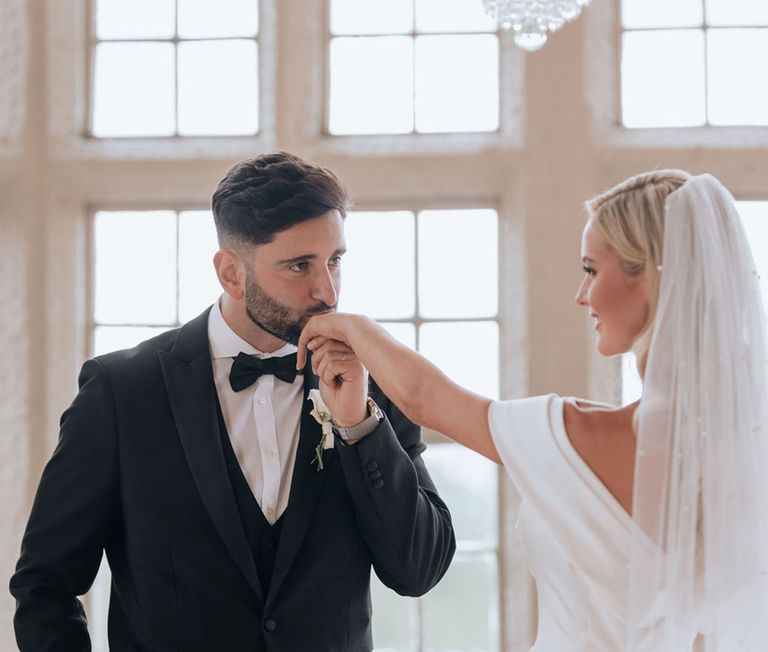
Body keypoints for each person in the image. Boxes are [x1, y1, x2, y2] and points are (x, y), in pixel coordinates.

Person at [297, 170, 768, 651]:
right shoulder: (749, 454)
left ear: (647, 276)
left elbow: (425, 398)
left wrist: (348, 328)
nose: (581, 295)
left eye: (590, 270)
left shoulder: (580, 434)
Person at [10, 152, 456, 651]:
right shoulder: (121, 393)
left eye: (334, 260)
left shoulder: (375, 386)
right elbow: (44, 585)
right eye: (299, 265)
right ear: (231, 274)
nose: (327, 291)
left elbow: (419, 570)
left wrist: (357, 425)